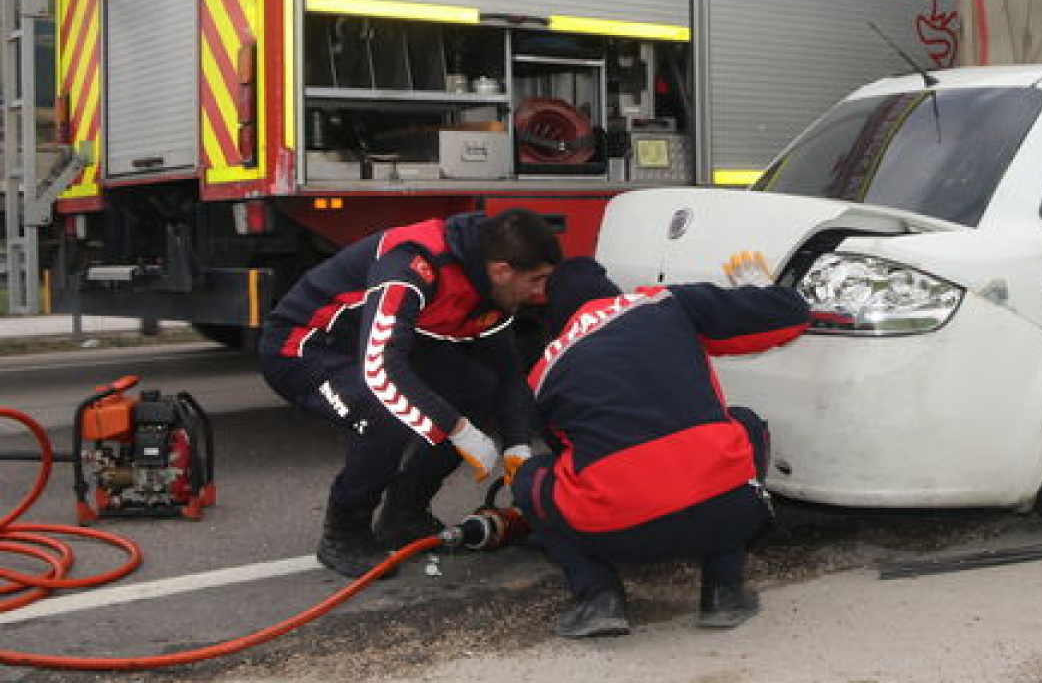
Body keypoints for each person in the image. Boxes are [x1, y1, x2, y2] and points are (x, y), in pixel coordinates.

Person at [513, 251, 809, 638]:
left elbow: (567, 457)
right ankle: (723, 592)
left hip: (620, 535)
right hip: (724, 512)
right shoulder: (664, 303)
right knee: (746, 424)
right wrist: (761, 289)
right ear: (611, 289)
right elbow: (791, 316)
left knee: (530, 476)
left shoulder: (544, 369)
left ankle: (598, 598)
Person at [259, 208, 561, 578]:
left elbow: (508, 374)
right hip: (304, 348)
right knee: (384, 411)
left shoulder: (492, 286)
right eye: (537, 280)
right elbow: (381, 371)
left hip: (372, 346)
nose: (541, 292)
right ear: (502, 270)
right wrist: (456, 429)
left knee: (478, 387)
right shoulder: (411, 266)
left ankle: (404, 512)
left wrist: (518, 447)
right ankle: (344, 531)